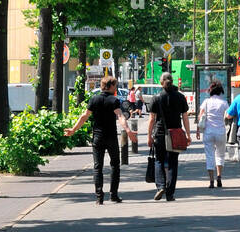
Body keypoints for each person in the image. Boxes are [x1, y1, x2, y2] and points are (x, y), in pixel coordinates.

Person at [65, 75, 135, 206]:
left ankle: (99, 197)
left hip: (97, 137)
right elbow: (120, 116)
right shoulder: (114, 100)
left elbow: (84, 116)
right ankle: (113, 195)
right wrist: (128, 130)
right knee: (115, 165)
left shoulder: (94, 99)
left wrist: (73, 130)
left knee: (98, 167)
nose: (116, 87)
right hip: (111, 137)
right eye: (115, 85)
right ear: (111, 86)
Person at [146, 72, 190, 201]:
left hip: (159, 134)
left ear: (161, 82)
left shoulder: (156, 97)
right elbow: (185, 117)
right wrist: (188, 135)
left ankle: (160, 186)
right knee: (173, 163)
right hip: (175, 133)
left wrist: (149, 136)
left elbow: (151, 119)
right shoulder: (180, 97)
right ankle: (170, 193)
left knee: (159, 160)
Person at [198, 80, 229, 189]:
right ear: (220, 91)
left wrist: (198, 131)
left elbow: (200, 117)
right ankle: (219, 177)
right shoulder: (224, 103)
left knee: (209, 155)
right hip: (220, 131)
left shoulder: (206, 102)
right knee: (220, 155)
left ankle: (211, 180)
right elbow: (228, 115)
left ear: (210, 91)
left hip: (208, 132)